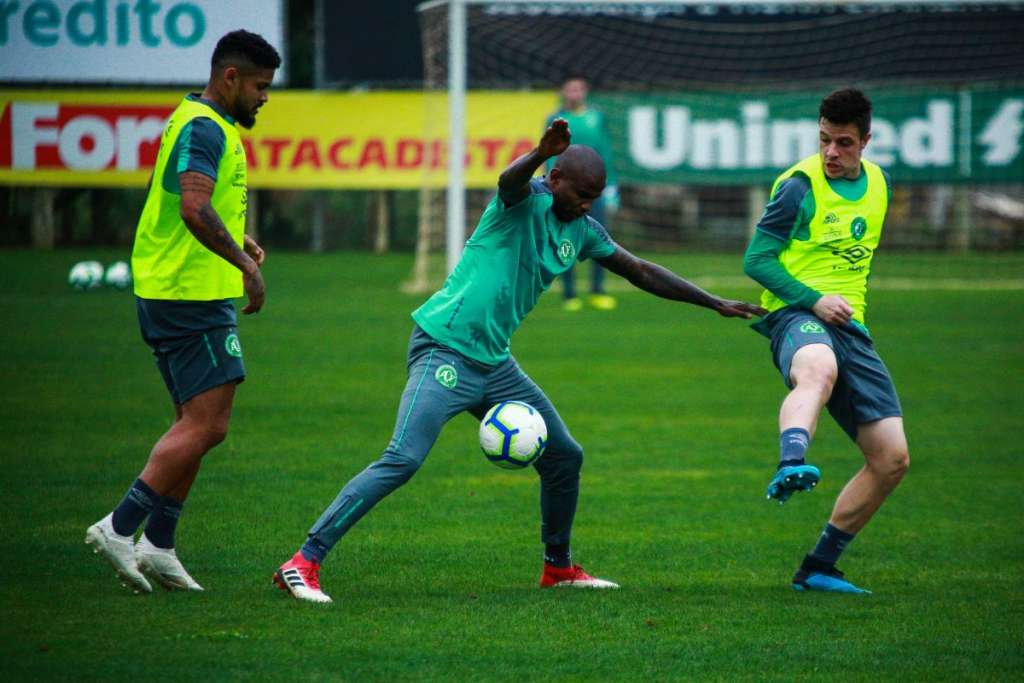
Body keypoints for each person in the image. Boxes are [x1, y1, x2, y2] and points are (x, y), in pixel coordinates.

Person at [274, 118, 766, 604]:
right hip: (443, 347)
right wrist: (537, 151)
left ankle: (559, 567)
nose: (588, 203)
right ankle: (304, 561)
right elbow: (507, 180)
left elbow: (638, 269)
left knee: (565, 456)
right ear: (554, 180)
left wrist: (712, 301)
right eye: (581, 193)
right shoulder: (521, 201)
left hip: (494, 363)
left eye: (596, 195)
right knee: (403, 458)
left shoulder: (583, 229)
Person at [84, 30, 281, 593]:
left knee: (191, 423)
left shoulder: (188, 117)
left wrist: (238, 233)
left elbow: (178, 198)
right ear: (230, 78)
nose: (265, 98)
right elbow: (193, 209)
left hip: (172, 287)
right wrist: (245, 262)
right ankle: (120, 527)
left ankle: (160, 544)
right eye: (260, 87)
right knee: (208, 424)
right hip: (187, 294)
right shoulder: (205, 127)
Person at [742, 88, 909, 594]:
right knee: (817, 368)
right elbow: (756, 260)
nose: (831, 153)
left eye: (843, 143)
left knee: (892, 459)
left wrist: (841, 310)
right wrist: (813, 299)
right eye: (823, 140)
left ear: (866, 141)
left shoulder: (879, 183)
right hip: (796, 316)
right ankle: (792, 460)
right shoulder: (797, 186)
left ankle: (818, 566)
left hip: (852, 329)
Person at [546, 76, 620, 311]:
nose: (574, 94)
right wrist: (550, 185)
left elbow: (605, 151)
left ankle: (598, 290)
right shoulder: (555, 119)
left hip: (593, 189)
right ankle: (569, 294)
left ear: (585, 92)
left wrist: (611, 185)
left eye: (578, 89)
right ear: (563, 92)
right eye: (570, 89)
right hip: (565, 191)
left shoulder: (596, 117)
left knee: (598, 237)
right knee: (565, 239)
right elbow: (548, 155)